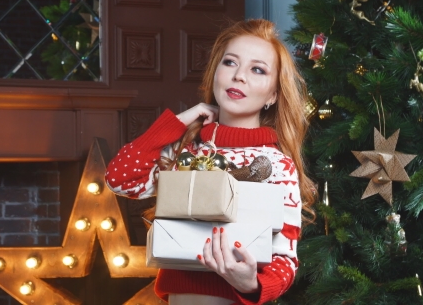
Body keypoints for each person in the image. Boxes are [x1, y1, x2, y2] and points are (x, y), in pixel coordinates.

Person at [105, 19, 315, 304]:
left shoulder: (277, 166)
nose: (239, 76)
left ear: (273, 95)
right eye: (230, 63)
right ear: (215, 72)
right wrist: (177, 123)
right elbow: (119, 179)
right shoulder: (183, 151)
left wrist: (251, 283)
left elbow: (285, 259)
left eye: (257, 69)